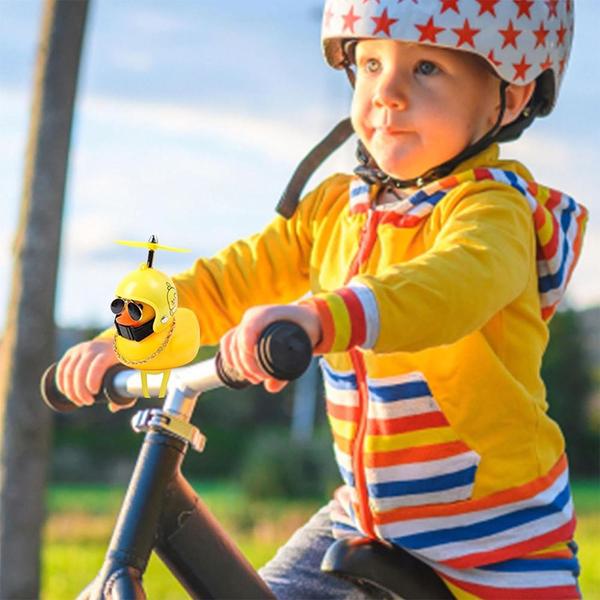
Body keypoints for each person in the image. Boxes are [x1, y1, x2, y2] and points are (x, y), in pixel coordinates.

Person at [56, 1, 587, 598]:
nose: (385, 92)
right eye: (369, 63)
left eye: (427, 68)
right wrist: (128, 336)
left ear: (510, 96)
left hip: (495, 541)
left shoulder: (493, 211)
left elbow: (450, 287)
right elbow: (228, 281)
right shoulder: (336, 210)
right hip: (365, 519)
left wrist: (320, 317)